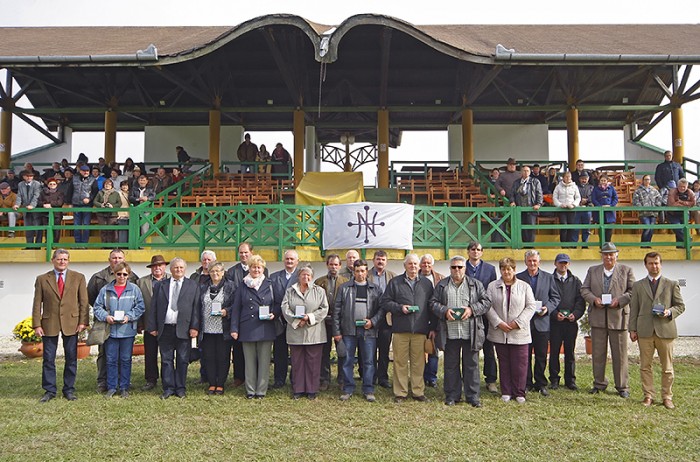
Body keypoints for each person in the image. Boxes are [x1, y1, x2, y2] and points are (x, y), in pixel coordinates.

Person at [430, 255, 490, 407]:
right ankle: (452, 395)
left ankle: (473, 396)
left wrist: (471, 310)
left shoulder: (476, 284)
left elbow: (486, 302)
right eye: (454, 267)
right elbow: (432, 303)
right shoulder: (442, 285)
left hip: (470, 332)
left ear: (465, 268)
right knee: (451, 365)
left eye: (460, 267)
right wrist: (444, 311)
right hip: (450, 332)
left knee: (472, 365)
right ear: (450, 268)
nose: (457, 270)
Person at [629, 252, 685, 409]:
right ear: (645, 265)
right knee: (645, 366)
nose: (654, 266)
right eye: (651, 263)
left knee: (667, 367)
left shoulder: (671, 284)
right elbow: (634, 309)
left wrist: (669, 312)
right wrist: (632, 329)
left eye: (656, 263)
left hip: (665, 331)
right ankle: (648, 395)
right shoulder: (638, 286)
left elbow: (680, 306)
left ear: (661, 264)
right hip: (644, 331)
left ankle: (667, 396)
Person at [32, 249, 89, 402]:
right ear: (53, 260)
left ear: (68, 261)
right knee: (48, 358)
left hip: (72, 323)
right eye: (59, 259)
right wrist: (36, 324)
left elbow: (84, 302)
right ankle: (49, 390)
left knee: (71, 358)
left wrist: (83, 322)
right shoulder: (42, 279)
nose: (62, 262)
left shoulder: (78, 277)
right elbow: (37, 303)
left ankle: (69, 390)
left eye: (65, 259)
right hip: (49, 323)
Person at [580, 242, 635, 398]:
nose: (608, 257)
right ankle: (599, 383)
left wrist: (620, 300)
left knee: (620, 355)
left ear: (616, 255)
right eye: (605, 254)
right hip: (598, 318)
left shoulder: (626, 270)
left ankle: (622, 386)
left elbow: (633, 291)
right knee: (598, 354)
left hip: (618, 317)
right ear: (602, 256)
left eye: (611, 254)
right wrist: (593, 299)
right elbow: (584, 289)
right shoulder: (593, 270)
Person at [380, 254, 436, 403]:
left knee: (419, 363)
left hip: (420, 329)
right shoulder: (395, 282)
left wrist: (432, 327)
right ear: (404, 266)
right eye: (410, 264)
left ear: (419, 266)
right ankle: (401, 392)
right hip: (400, 329)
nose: (413, 267)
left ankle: (418, 391)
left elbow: (432, 306)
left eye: (415, 264)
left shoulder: (426, 284)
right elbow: (385, 302)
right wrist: (399, 308)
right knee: (400, 362)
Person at [147, 257, 201, 399]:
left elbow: (196, 308)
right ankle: (169, 388)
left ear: (185, 269)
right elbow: (154, 307)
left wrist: (195, 327)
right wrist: (152, 326)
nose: (178, 270)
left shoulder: (192, 285)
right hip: (165, 328)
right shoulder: (161, 285)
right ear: (170, 269)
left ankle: (181, 388)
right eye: (175, 268)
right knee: (166, 359)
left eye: (181, 268)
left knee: (183, 359)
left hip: (184, 328)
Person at [485, 257, 536, 403]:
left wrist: (517, 323)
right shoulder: (492, 286)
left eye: (509, 269)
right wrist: (498, 322)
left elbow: (531, 306)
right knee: (504, 362)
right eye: (503, 269)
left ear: (514, 270)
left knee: (520, 364)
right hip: (500, 332)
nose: (506, 271)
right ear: (500, 270)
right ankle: (506, 391)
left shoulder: (524, 286)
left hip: (519, 332)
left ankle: (519, 392)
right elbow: (488, 306)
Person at [88, 249, 139, 393]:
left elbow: (139, 305)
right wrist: (105, 315)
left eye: (120, 257)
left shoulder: (134, 281)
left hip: (126, 328)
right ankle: (105, 383)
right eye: (114, 258)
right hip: (107, 327)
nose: (117, 260)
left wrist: (129, 316)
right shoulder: (99, 278)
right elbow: (93, 300)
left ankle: (124, 385)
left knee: (125, 358)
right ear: (109, 260)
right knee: (106, 357)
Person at [333, 259, 383, 402]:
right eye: (357, 271)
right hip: (349, 331)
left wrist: (372, 322)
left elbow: (382, 309)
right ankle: (348, 388)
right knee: (347, 361)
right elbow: (337, 311)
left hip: (368, 332)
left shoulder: (375, 289)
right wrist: (336, 332)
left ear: (367, 271)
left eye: (362, 271)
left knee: (368, 361)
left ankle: (368, 389)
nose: (360, 273)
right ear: (353, 272)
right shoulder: (344, 288)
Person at [230, 255, 277, 399]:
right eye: (253, 267)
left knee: (264, 361)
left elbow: (277, 304)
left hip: (265, 326)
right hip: (247, 327)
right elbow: (236, 308)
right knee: (249, 361)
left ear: (263, 269)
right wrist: (234, 328)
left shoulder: (270, 284)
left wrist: (274, 313)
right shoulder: (242, 285)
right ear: (249, 268)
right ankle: (250, 390)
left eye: (259, 267)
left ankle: (261, 390)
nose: (256, 269)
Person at [281, 263, 329, 400]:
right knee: (297, 362)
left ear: (312, 277)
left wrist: (309, 318)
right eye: (303, 275)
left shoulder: (319, 291)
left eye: (308, 275)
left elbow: (324, 309)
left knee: (313, 362)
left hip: (314, 332)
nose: (306, 277)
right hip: (296, 331)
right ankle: (298, 389)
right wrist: (296, 321)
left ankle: (312, 390)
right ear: (299, 276)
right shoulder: (290, 291)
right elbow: (285, 308)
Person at [516, 250, 560, 397]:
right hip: (524, 323)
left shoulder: (548, 277)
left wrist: (548, 309)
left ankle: (540, 383)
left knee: (541, 355)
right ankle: (526, 383)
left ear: (539, 262)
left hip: (542, 322)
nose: (532, 263)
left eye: (535, 261)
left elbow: (555, 297)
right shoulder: (519, 278)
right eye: (529, 261)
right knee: (524, 355)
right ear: (525, 262)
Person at [465, 241, 498, 393]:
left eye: (478, 249)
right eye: (473, 249)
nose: (475, 252)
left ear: (482, 252)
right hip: (467, 314)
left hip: (484, 314)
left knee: (489, 349)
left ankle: (491, 380)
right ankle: (469, 379)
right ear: (468, 252)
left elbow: (492, 292)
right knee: (469, 350)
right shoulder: (461, 266)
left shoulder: (490, 269)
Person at [549, 253, 585, 391]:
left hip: (570, 323)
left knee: (570, 352)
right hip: (555, 323)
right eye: (560, 263)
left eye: (565, 263)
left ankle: (570, 380)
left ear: (568, 264)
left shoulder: (576, 281)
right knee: (554, 352)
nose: (563, 265)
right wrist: (554, 314)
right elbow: (548, 298)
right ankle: (554, 379)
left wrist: (575, 315)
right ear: (555, 263)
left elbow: (580, 301)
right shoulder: (550, 280)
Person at [199, 262, 235, 395]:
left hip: (223, 329)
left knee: (223, 357)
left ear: (223, 272)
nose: (215, 274)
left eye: (218, 271)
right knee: (208, 357)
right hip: (207, 329)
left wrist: (227, 311)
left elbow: (236, 305)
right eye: (212, 271)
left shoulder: (230, 286)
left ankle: (220, 383)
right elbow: (198, 305)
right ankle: (212, 383)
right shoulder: (203, 287)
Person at [314, 253, 349, 391]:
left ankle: (342, 379)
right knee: (324, 351)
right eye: (331, 264)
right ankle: (324, 379)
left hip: (340, 322)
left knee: (342, 351)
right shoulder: (319, 281)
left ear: (340, 266)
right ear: (327, 265)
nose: (333, 267)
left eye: (336, 264)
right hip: (323, 322)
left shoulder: (346, 282)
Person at [136, 255, 170, 391]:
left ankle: (167, 378)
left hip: (167, 324)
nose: (157, 268)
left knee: (167, 353)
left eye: (160, 265)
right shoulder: (141, 282)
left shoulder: (171, 279)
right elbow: (137, 303)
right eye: (155, 266)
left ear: (164, 266)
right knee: (150, 353)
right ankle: (151, 379)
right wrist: (139, 324)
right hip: (149, 323)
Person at [270, 249, 299, 388]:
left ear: (297, 261)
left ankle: (295, 379)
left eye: (292, 259)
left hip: (295, 320)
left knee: (296, 352)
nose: (289, 261)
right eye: (287, 259)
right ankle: (279, 379)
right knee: (279, 351)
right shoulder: (274, 277)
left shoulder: (301, 276)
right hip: (279, 319)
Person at [368, 250, 397, 389]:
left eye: (383, 259)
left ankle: (383, 377)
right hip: (371, 317)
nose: (380, 262)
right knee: (370, 349)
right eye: (378, 259)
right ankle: (371, 376)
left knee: (384, 350)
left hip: (387, 318)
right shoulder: (366, 275)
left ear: (386, 261)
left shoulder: (393, 277)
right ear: (373, 260)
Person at [419, 253, 444, 388]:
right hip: (419, 319)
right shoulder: (415, 277)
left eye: (428, 263)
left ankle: (432, 377)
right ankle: (421, 376)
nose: (426, 265)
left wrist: (435, 326)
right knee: (419, 351)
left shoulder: (440, 279)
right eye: (424, 263)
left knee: (433, 350)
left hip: (435, 318)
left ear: (432, 265)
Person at [510, 165, 543, 244]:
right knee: (522, 227)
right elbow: (512, 194)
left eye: (527, 171)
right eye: (524, 171)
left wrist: (538, 204)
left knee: (531, 227)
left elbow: (539, 193)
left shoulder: (535, 181)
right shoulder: (516, 182)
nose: (525, 172)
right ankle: (524, 244)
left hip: (531, 208)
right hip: (519, 209)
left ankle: (530, 245)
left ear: (530, 172)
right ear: (521, 172)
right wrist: (512, 201)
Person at [13, 170, 43, 244]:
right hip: (26, 209)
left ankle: (38, 246)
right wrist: (17, 204)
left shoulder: (37, 184)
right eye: (28, 176)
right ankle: (29, 245)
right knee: (28, 228)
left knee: (38, 228)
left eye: (31, 176)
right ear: (23, 177)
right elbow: (19, 195)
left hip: (36, 209)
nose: (29, 177)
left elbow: (36, 196)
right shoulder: (20, 184)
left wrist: (32, 205)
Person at [70, 164, 97, 244]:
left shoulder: (93, 180)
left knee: (86, 225)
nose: (86, 172)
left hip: (87, 205)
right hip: (76, 204)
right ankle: (77, 243)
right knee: (76, 225)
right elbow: (70, 191)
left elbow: (95, 192)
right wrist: (68, 202)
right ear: (80, 171)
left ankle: (84, 243)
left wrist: (89, 199)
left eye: (87, 171)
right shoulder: (74, 179)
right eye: (84, 171)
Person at [632, 174, 662, 246]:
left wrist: (656, 205)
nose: (647, 181)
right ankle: (643, 243)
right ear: (643, 180)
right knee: (647, 227)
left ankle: (648, 243)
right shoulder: (638, 191)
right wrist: (641, 208)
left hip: (653, 212)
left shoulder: (654, 190)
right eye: (645, 179)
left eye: (648, 179)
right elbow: (635, 201)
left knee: (651, 228)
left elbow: (659, 199)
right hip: (644, 213)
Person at [552, 171, 581, 243]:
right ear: (563, 177)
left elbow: (578, 197)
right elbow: (555, 197)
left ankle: (570, 243)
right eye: (566, 177)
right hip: (562, 209)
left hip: (571, 209)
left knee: (571, 226)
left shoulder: (574, 186)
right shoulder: (558, 187)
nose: (568, 178)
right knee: (564, 226)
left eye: (569, 177)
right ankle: (563, 244)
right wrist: (560, 204)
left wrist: (573, 204)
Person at [667, 178, 695, 246]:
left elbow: (693, 203)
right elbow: (672, 204)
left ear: (687, 186)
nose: (682, 188)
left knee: (684, 228)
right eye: (680, 186)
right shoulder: (672, 191)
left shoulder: (690, 192)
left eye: (684, 187)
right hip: (673, 214)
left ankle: (681, 246)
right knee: (677, 227)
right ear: (677, 186)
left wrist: (681, 202)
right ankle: (688, 240)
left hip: (684, 213)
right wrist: (686, 204)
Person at [591, 174, 618, 243]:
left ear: (607, 181)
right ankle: (602, 245)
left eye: (604, 180)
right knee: (601, 229)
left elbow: (615, 198)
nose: (603, 182)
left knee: (609, 229)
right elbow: (593, 199)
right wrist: (600, 206)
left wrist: (611, 206)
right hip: (600, 211)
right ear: (599, 181)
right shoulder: (596, 189)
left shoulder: (611, 188)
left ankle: (608, 244)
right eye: (601, 180)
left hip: (609, 211)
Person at [93, 178, 120, 243]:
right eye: (106, 184)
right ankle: (104, 244)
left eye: (109, 184)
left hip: (112, 214)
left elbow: (119, 203)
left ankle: (110, 245)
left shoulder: (116, 193)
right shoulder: (100, 193)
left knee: (111, 230)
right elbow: (95, 201)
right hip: (101, 214)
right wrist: (100, 205)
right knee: (103, 230)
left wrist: (112, 206)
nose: (107, 186)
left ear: (112, 186)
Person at [38, 177, 65, 244]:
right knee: (47, 230)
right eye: (51, 184)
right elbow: (39, 202)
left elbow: (60, 202)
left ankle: (55, 243)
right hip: (45, 214)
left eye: (54, 184)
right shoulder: (42, 193)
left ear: (56, 185)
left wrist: (50, 204)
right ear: (48, 185)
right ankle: (48, 243)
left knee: (56, 230)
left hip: (57, 214)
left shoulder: (60, 193)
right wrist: (43, 205)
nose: (52, 185)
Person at [574, 171, 594, 246]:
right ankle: (574, 244)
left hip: (587, 208)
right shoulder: (575, 187)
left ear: (588, 179)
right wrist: (579, 200)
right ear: (579, 179)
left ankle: (585, 244)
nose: (584, 180)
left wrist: (587, 200)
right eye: (582, 178)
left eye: (585, 178)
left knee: (586, 227)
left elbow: (593, 197)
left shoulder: (591, 187)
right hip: (577, 208)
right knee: (575, 227)